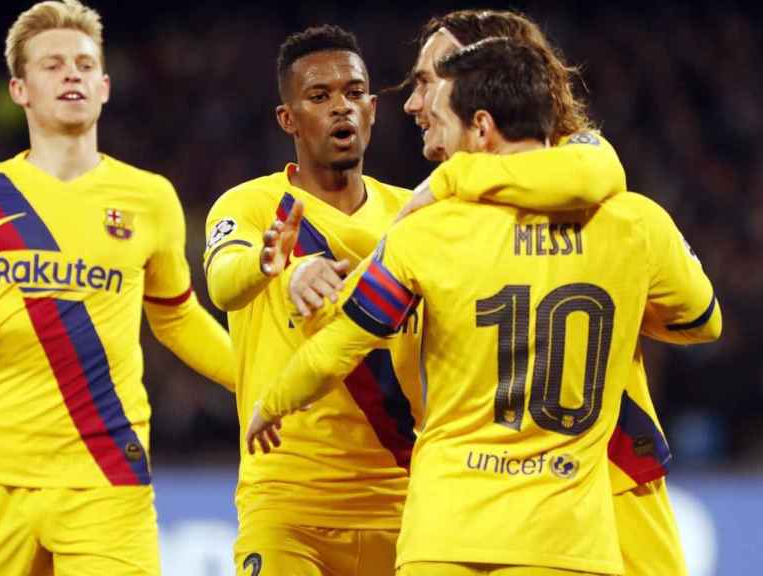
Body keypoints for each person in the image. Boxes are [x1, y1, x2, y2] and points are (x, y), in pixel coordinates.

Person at [248, 36, 721, 576]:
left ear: (481, 128)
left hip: (446, 535)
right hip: (565, 541)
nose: (421, 114)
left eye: (437, 104)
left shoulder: (428, 231)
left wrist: (273, 403)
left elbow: (335, 349)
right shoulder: (631, 224)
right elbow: (702, 319)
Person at [0, 1, 234, 574]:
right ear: (19, 90)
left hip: (106, 473)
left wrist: (263, 382)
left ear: (103, 86)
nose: (70, 73)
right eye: (52, 65)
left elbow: (176, 317)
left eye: (82, 64)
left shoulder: (150, 198)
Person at [400, 10, 694, 575]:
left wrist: (451, 179)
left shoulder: (580, 180)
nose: (415, 104)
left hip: (603, 483)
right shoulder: (432, 216)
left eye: (428, 80)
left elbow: (591, 165)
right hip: (480, 503)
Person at [203, 25, 424, 575]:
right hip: (286, 505)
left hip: (407, 502)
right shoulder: (252, 207)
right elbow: (222, 283)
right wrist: (274, 266)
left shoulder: (415, 219)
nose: (341, 108)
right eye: (320, 97)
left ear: (373, 109)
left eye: (353, 93)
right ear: (289, 119)